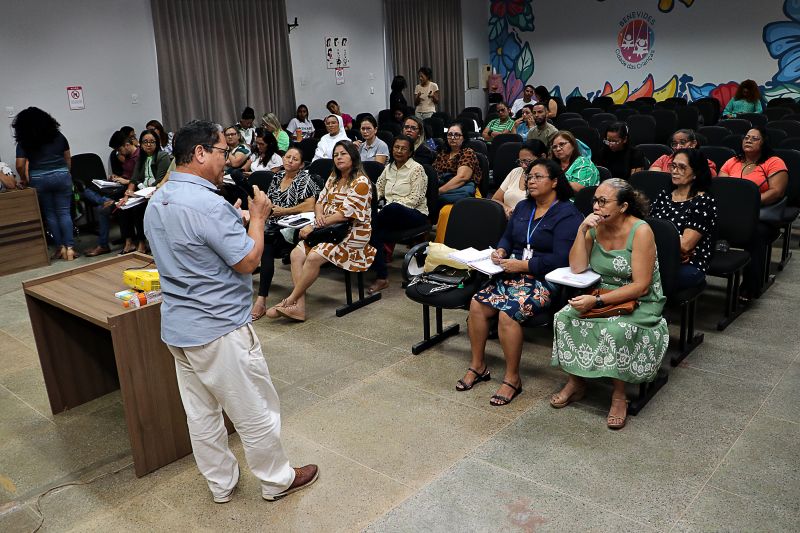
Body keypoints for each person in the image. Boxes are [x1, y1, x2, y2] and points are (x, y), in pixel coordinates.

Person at [143, 119, 318, 504]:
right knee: (254, 408)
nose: (228, 159)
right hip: (218, 327)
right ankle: (277, 480)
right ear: (201, 153)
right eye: (223, 152)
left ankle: (220, 484)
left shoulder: (159, 199)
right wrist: (256, 218)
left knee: (202, 414)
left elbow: (191, 247)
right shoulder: (208, 204)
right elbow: (249, 261)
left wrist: (234, 222)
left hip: (179, 327)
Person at [459, 159, 582, 406]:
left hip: (545, 280)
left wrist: (524, 265)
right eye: (529, 176)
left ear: (555, 182)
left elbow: (561, 258)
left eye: (538, 176)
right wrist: (502, 252)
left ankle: (512, 378)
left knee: (508, 314)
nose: (531, 181)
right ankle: (478, 365)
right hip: (512, 273)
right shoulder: (524, 206)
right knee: (476, 304)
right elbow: (506, 237)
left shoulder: (568, 213)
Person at [550, 178, 669, 430]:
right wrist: (582, 230)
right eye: (595, 200)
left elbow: (641, 286)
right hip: (602, 291)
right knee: (563, 317)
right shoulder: (595, 226)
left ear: (623, 207)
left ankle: (618, 395)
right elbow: (577, 266)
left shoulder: (641, 230)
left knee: (616, 330)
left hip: (639, 299)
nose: (596, 206)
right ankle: (576, 380)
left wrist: (598, 300)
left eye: (603, 202)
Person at [268, 140, 376, 321]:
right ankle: (299, 308)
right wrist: (318, 218)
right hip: (328, 229)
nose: (339, 157)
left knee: (313, 256)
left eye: (343, 153)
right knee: (296, 254)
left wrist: (316, 225)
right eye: (335, 155)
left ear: (353, 157)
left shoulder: (361, 182)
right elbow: (319, 202)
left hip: (352, 233)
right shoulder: (333, 178)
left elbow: (344, 215)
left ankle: (291, 300)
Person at [718, 126, 788, 299]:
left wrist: (749, 204)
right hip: (732, 214)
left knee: (754, 234)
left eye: (754, 138)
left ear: (764, 142)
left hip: (760, 215)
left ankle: (751, 286)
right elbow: (721, 186)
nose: (748, 140)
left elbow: (776, 192)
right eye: (746, 137)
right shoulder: (732, 161)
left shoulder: (774, 162)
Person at [252, 147, 320, 320]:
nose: (290, 160)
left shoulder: (304, 178)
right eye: (287, 157)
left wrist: (284, 211)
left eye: (295, 159)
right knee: (265, 243)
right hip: (273, 227)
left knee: (265, 242)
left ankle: (261, 300)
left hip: (295, 228)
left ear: (301, 164)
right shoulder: (277, 177)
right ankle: (261, 299)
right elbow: (269, 200)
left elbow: (310, 205)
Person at [13, 107, 77, 260]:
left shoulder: (24, 141)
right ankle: (70, 249)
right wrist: (65, 172)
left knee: (50, 214)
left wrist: (23, 178)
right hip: (61, 175)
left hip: (39, 178)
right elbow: (68, 158)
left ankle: (60, 247)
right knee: (64, 212)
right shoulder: (58, 136)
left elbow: (20, 165)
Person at [368, 135, 429, 293]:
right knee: (375, 231)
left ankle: (373, 222)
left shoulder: (417, 169)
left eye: (403, 149)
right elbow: (378, 189)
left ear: (410, 152)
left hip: (414, 214)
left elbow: (415, 199)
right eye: (396, 147)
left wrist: (387, 207)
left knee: (389, 211)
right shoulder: (388, 168)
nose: (399, 151)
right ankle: (382, 277)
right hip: (389, 214)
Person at [650, 148, 717, 290]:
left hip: (690, 263)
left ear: (695, 173)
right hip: (657, 256)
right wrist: (673, 246)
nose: (674, 171)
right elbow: (646, 228)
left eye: (682, 167)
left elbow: (686, 245)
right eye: (673, 166)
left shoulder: (704, 201)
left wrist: (668, 245)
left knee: (647, 276)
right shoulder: (665, 195)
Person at [117, 129, 173, 254]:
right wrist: (127, 194)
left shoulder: (162, 156)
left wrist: (139, 192)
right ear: (140, 144)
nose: (148, 145)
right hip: (142, 193)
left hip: (156, 193)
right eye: (145, 142)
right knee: (123, 207)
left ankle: (142, 243)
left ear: (157, 143)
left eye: (152, 142)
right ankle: (129, 242)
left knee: (138, 210)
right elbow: (134, 178)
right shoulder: (140, 158)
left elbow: (160, 181)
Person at [492, 141, 546, 217]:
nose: (523, 166)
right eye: (520, 161)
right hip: (506, 218)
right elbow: (495, 199)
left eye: (527, 161)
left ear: (542, 157)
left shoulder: (547, 179)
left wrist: (517, 213)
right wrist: (507, 209)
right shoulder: (515, 171)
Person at [433, 122, 482, 206]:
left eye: (457, 135)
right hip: (443, 189)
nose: (452, 137)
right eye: (450, 134)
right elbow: (434, 174)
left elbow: (462, 178)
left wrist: (438, 192)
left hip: (461, 191)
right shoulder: (442, 154)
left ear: (463, 138)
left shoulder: (467, 152)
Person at [649, 129, 717, 176]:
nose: (678, 147)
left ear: (693, 143)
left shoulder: (704, 163)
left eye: (682, 142)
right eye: (675, 144)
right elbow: (654, 179)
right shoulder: (664, 159)